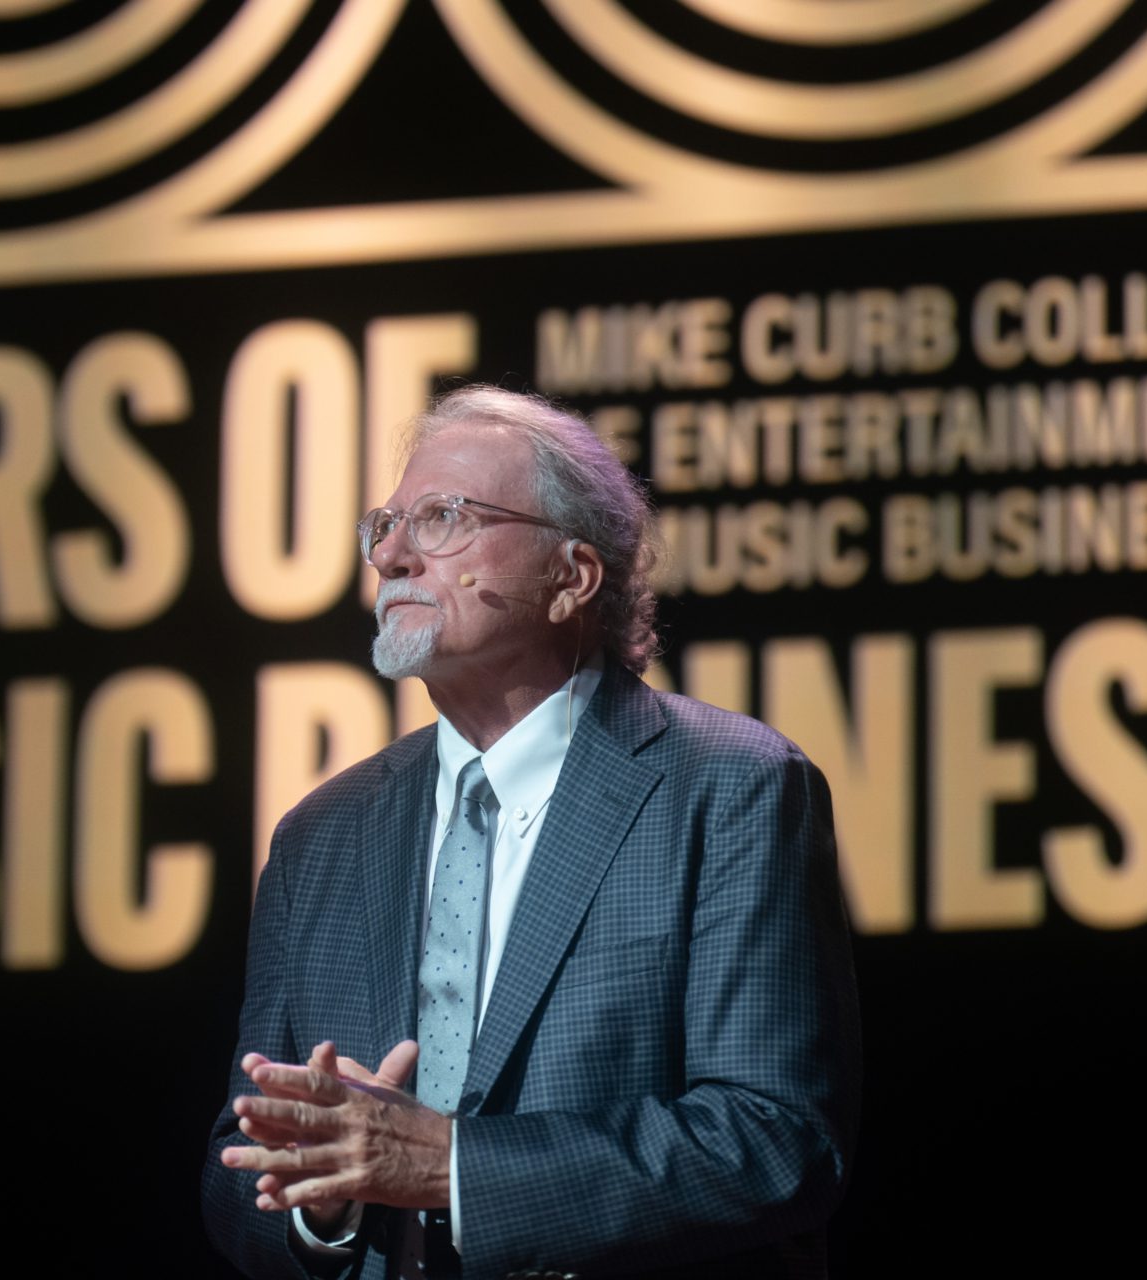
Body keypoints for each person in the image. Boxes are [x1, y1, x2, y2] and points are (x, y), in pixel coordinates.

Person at [202, 386, 861, 1279]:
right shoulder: (319, 836)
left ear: (572, 577)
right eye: (385, 526)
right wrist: (323, 1200)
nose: (391, 555)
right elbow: (235, 1168)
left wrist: (455, 1171)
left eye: (442, 518)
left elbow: (775, 1140)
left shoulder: (732, 788)